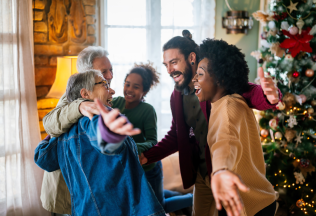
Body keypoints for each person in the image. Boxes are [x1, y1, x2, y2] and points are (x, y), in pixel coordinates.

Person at [138, 30, 281, 216]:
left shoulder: (220, 90)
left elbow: (229, 131)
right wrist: (147, 156)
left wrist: (268, 96)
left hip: (225, 172)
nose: (169, 70)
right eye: (166, 65)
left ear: (191, 58)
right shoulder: (177, 96)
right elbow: (177, 134)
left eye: (173, 62)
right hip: (202, 172)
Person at [35, 70, 165, 216]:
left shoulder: (65, 133)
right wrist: (110, 133)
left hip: (84, 209)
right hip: (115, 208)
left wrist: (51, 136)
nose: (112, 90)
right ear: (85, 94)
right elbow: (101, 138)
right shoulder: (93, 119)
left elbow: (42, 158)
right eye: (104, 84)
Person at [192, 38, 276, 216]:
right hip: (249, 199)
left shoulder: (229, 107)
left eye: (200, 74)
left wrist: (221, 170)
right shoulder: (223, 103)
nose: (194, 79)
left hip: (250, 204)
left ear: (220, 78)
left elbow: (226, 141)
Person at [40, 46, 114, 215]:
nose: (110, 75)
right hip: (66, 193)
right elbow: (50, 123)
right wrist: (79, 105)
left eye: (111, 70)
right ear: (86, 73)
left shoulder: (105, 95)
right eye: (104, 71)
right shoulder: (69, 97)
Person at [113, 62, 193, 213]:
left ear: (144, 91)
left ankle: (193, 198)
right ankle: (177, 196)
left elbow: (152, 141)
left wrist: (134, 147)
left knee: (158, 207)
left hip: (149, 167)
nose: (129, 90)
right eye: (127, 84)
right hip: (131, 167)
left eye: (136, 87)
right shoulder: (116, 103)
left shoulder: (147, 110)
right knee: (145, 202)